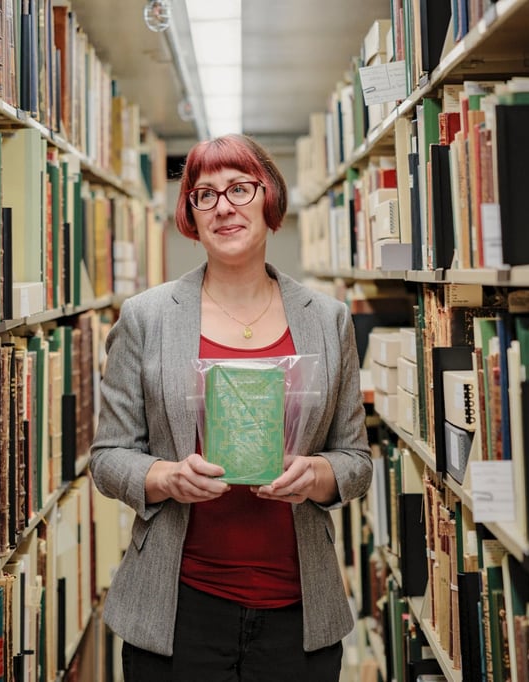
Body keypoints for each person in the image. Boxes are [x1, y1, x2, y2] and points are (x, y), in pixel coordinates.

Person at [89, 133, 372, 681]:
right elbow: (108, 457)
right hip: (178, 611)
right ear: (191, 216)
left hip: (297, 611)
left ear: (269, 200)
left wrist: (318, 474)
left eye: (240, 189)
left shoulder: (328, 319)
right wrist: (165, 476)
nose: (223, 206)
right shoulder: (147, 318)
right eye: (204, 194)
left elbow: (355, 460)